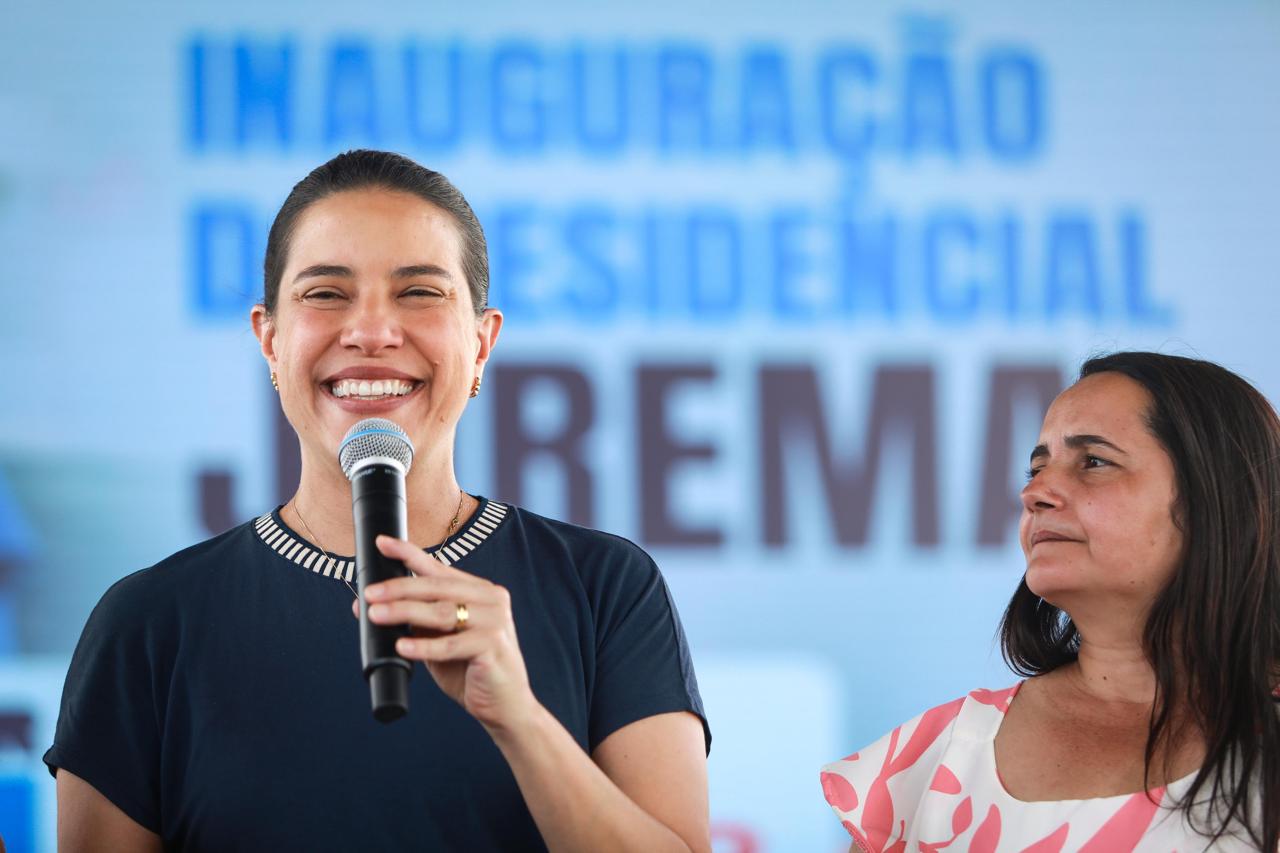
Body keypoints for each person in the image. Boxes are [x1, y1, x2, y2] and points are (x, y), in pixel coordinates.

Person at [45, 150, 712, 852]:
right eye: (326, 294)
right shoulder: (150, 623)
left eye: (419, 292)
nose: (371, 332)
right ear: (269, 340)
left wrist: (520, 720)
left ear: (481, 343)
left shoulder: (604, 588)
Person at [820, 352, 1278, 851]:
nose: (1035, 492)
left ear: (1220, 497)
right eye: (1037, 468)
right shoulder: (926, 764)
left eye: (1094, 462)